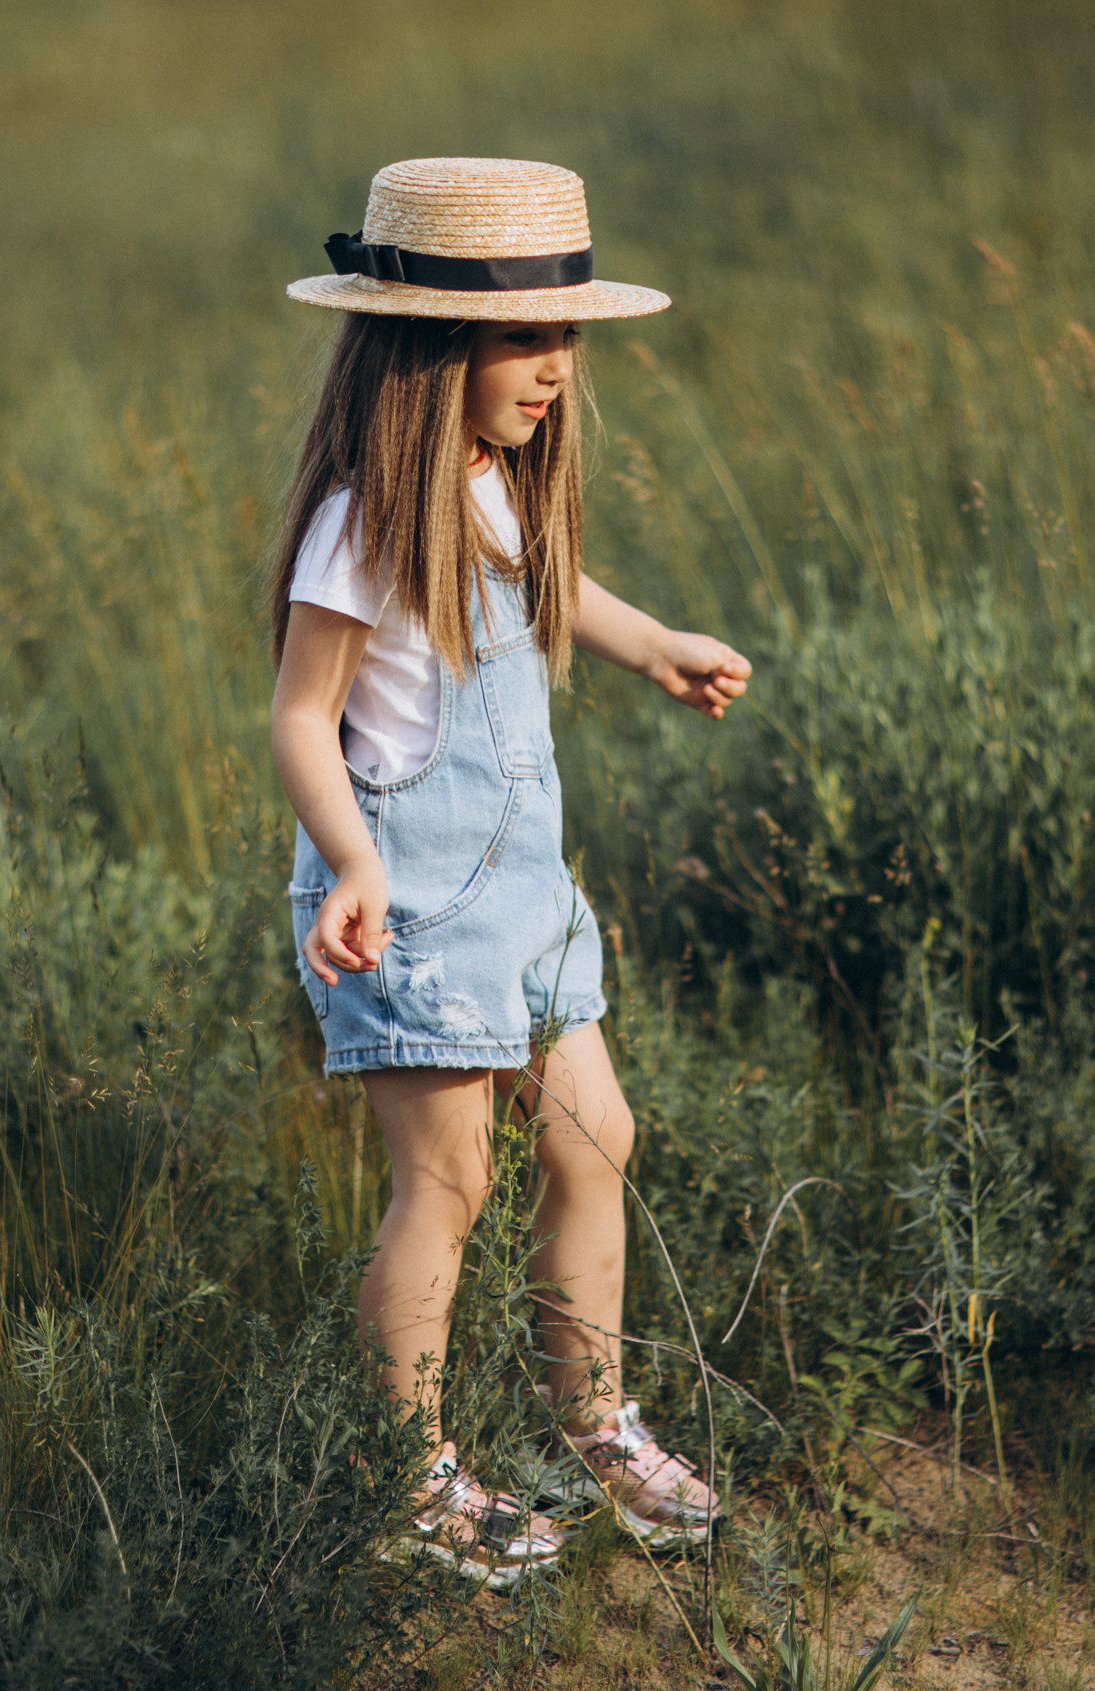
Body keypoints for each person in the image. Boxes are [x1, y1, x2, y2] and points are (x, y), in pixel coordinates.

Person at [270, 158, 750, 1588]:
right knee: (450, 1181)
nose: (556, 368)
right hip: (405, 904)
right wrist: (351, 858)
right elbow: (303, 716)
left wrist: (655, 642)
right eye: (522, 337)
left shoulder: (495, 485)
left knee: (597, 1140)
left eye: (567, 334)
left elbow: (556, 584)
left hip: (528, 900)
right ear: (429, 347)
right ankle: (408, 1478)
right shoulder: (361, 518)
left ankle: (594, 1422)